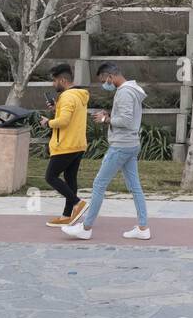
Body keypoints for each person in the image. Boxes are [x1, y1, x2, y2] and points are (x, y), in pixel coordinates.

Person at [62, 62, 149, 241]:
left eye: (104, 80)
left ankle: (86, 228)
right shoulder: (133, 89)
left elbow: (125, 120)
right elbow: (127, 117)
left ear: (111, 76)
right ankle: (142, 227)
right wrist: (109, 116)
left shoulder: (124, 92)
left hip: (121, 146)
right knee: (135, 187)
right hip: (131, 143)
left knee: (99, 184)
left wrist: (105, 119)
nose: (105, 84)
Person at [41, 64, 90, 226]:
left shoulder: (68, 96)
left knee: (50, 177)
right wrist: (57, 108)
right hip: (78, 144)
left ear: (63, 80)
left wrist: (48, 122)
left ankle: (78, 203)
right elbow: (70, 117)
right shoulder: (78, 95)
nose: (53, 85)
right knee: (70, 179)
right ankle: (67, 216)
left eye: (55, 81)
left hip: (66, 145)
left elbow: (64, 121)